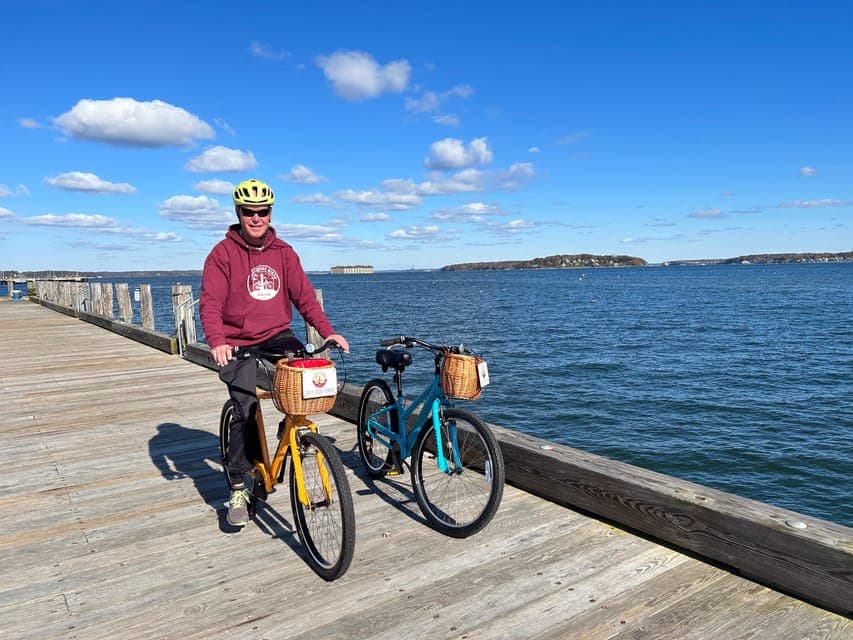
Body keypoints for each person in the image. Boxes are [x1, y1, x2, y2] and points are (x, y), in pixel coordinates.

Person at [200, 178, 349, 527]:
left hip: (277, 335)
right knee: (244, 407)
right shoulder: (222, 254)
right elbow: (210, 303)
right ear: (239, 213)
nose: (256, 218)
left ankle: (293, 430)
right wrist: (218, 341)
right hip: (238, 341)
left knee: (306, 379)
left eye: (262, 212)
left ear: (270, 213)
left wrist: (328, 332)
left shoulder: (284, 253)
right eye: (249, 212)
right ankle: (238, 483)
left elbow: (305, 298)